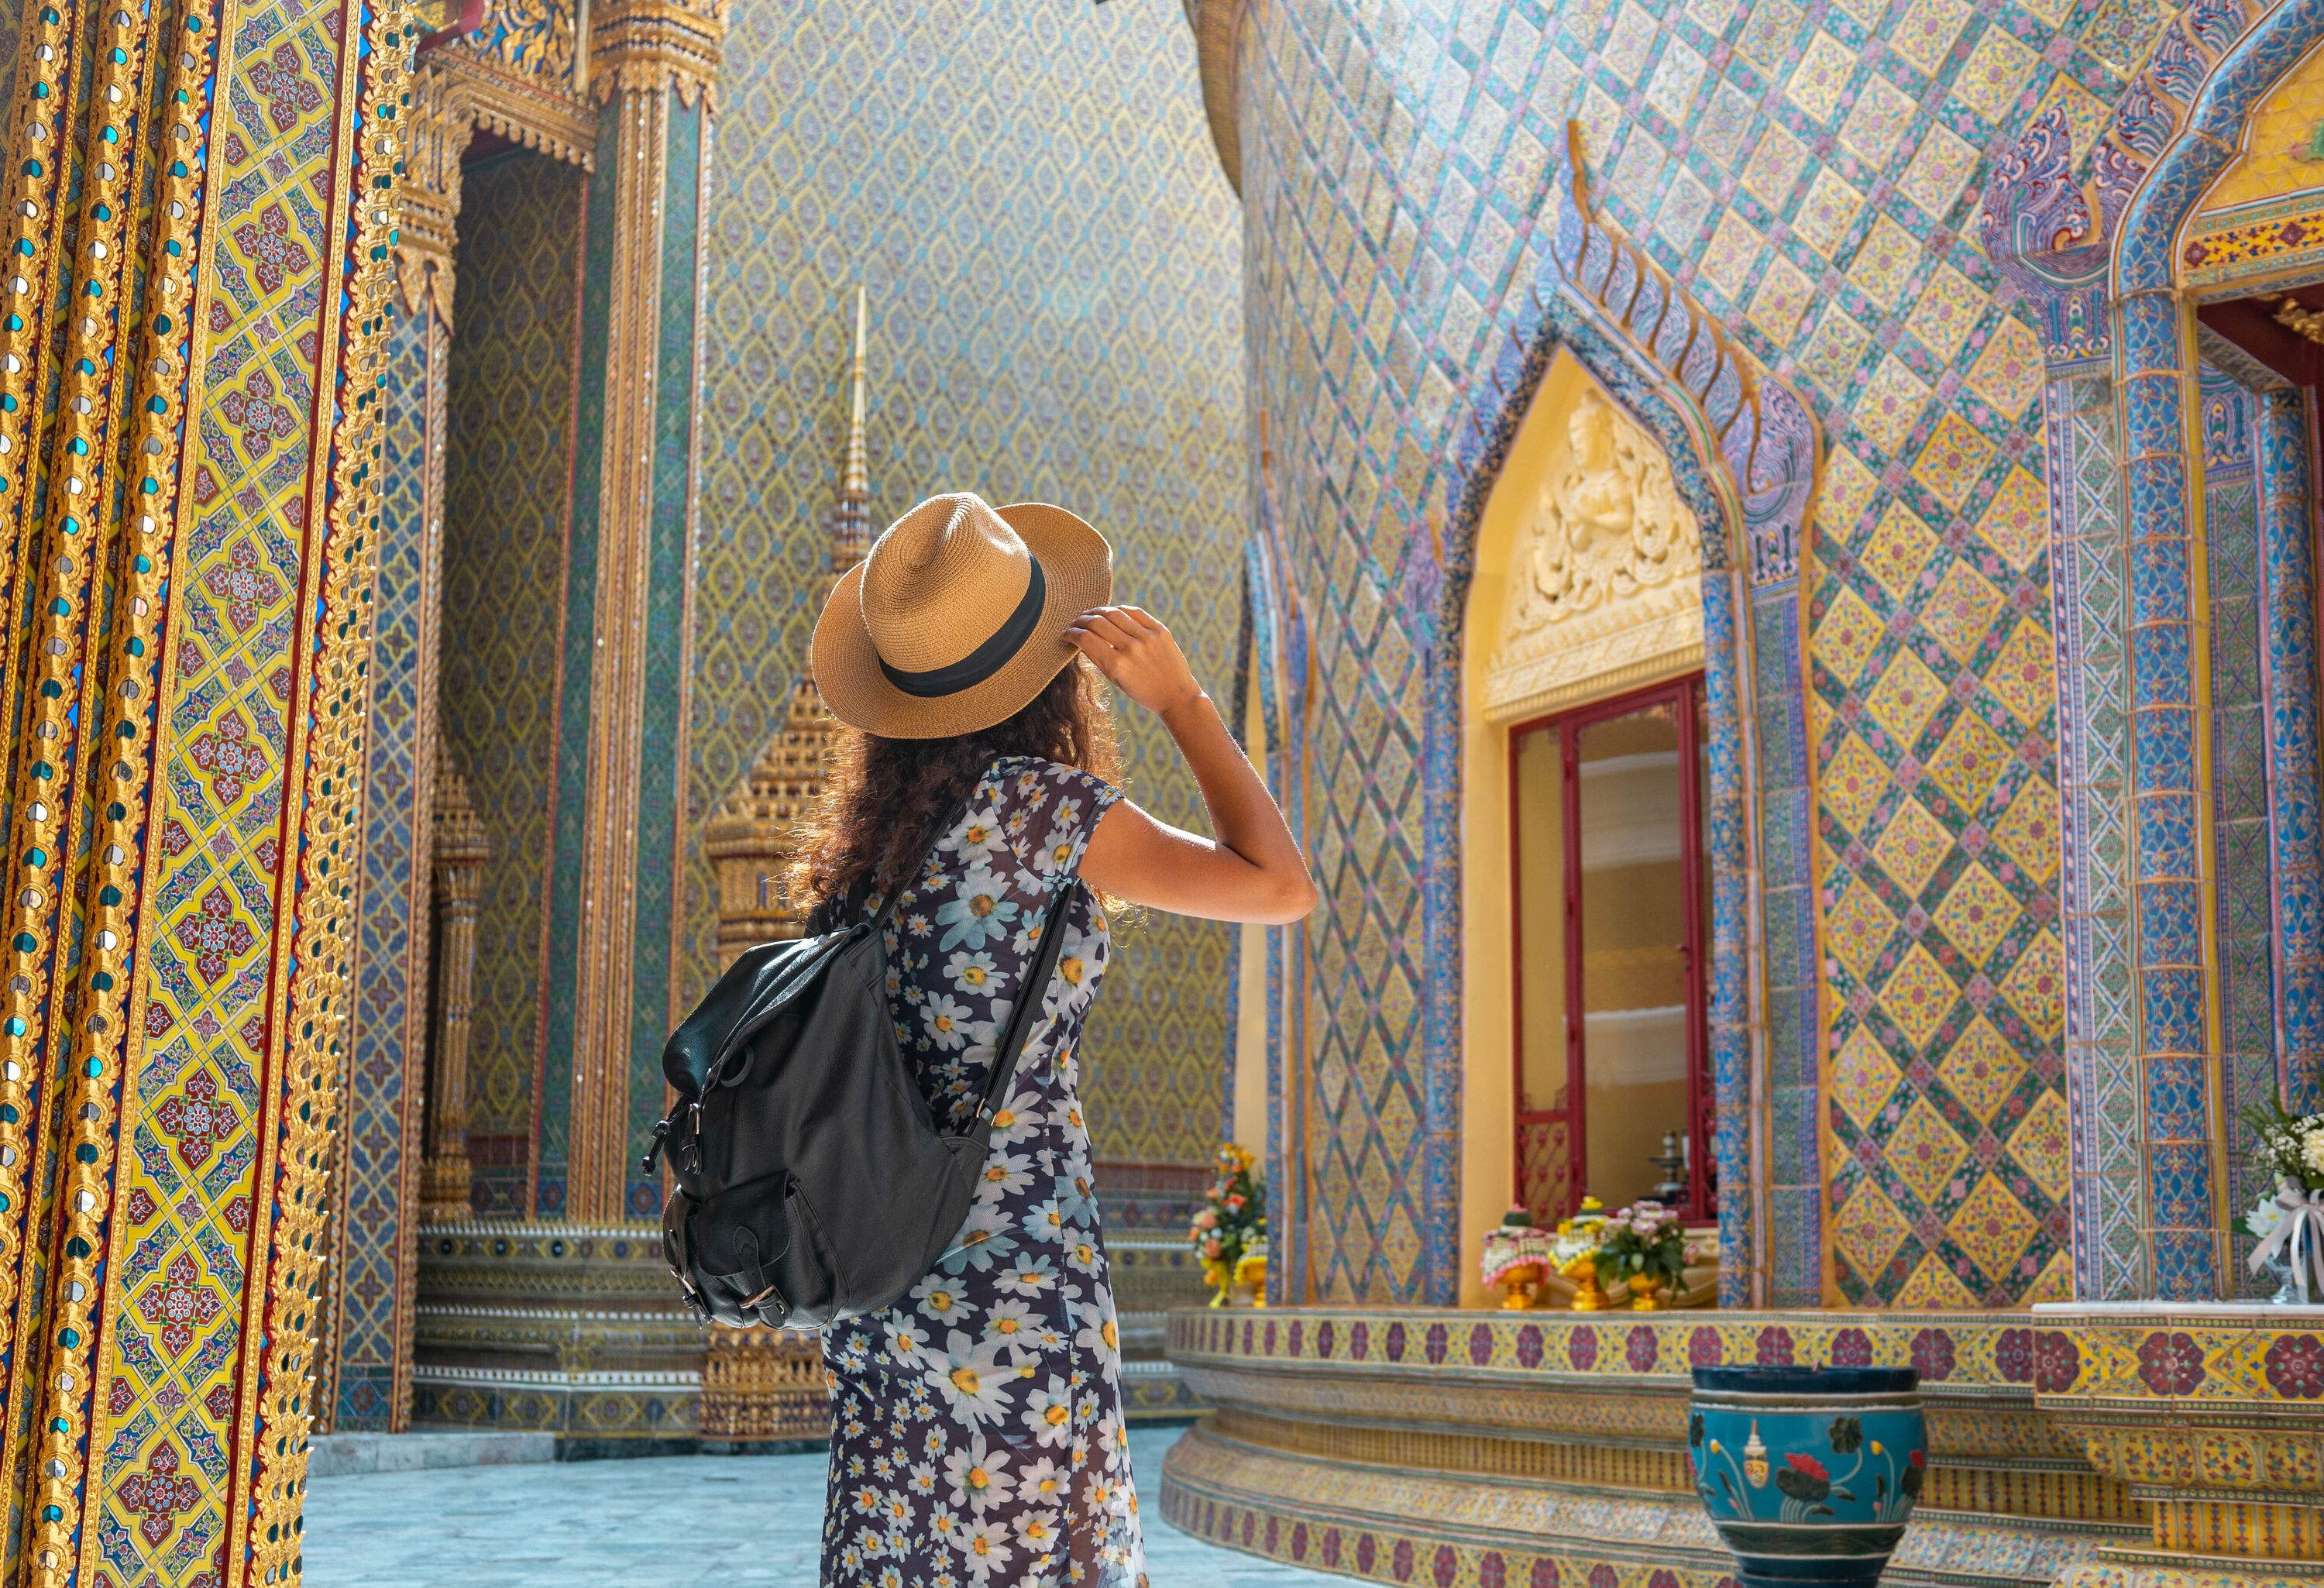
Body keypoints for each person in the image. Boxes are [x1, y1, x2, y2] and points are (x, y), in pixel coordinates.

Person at [797, 492, 1315, 1588]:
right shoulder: (1039, 814)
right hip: (1016, 1292)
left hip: (881, 1288)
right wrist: (1180, 702)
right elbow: (1279, 886)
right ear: (1044, 672)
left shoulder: (861, 854)